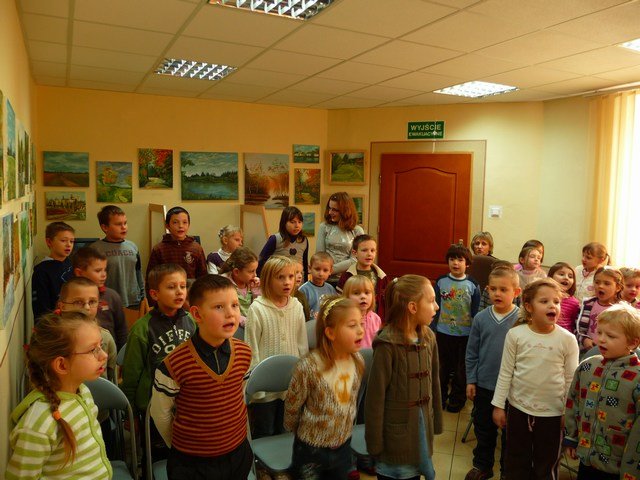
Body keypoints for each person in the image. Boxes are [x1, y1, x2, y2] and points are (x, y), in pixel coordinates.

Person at [150, 275, 253, 480]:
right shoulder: (174, 363)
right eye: (219, 307)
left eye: (234, 305)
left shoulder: (244, 352)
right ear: (197, 314)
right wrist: (182, 446)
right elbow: (160, 414)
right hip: (192, 463)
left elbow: (239, 397)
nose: (230, 314)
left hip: (237, 453)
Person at [5, 312, 111, 479]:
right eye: (93, 350)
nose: (104, 355)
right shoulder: (39, 423)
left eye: (101, 346)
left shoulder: (83, 391)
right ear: (62, 365)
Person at [491, 278, 579, 479]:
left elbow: (571, 380)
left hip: (553, 414)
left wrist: (567, 412)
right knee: (516, 461)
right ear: (529, 307)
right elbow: (505, 373)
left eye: (556, 302)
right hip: (518, 410)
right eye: (544, 301)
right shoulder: (515, 335)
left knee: (546, 464)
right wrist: (498, 406)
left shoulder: (567, 340)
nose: (552, 306)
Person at [365, 275, 443, 480]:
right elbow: (375, 399)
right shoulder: (387, 345)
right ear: (413, 307)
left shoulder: (429, 337)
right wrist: (374, 443)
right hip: (395, 439)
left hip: (421, 430)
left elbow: (434, 382)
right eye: (431, 301)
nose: (436, 307)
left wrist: (436, 420)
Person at [284, 296, 364, 479]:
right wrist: (296, 432)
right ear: (331, 333)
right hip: (310, 450)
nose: (361, 330)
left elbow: (350, 402)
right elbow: (292, 405)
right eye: (352, 325)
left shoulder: (358, 361)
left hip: (343, 446)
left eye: (361, 323)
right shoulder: (308, 367)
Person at [564, 303, 640, 480]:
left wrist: (631, 470)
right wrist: (571, 437)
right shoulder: (588, 366)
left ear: (632, 342)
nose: (601, 340)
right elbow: (573, 401)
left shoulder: (637, 377)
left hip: (618, 468)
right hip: (586, 460)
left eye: (610, 336)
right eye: (599, 333)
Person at [464, 266, 521, 480]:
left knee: (510, 434)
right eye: (493, 289)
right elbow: (472, 352)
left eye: (503, 289)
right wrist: (471, 379)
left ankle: (508, 471)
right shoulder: (481, 318)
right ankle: (482, 466)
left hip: (512, 389)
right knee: (484, 429)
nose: (497, 293)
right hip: (485, 385)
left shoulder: (523, 319)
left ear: (516, 292)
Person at [245, 256, 309, 438]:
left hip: (290, 385)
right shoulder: (257, 308)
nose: (287, 282)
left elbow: (302, 344)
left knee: (287, 430)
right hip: (264, 390)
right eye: (280, 277)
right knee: (265, 431)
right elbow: (251, 348)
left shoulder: (296, 306)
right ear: (267, 280)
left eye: (291, 276)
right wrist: (256, 386)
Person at [121, 264, 196, 415]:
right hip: (152, 403)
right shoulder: (141, 328)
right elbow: (131, 375)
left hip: (186, 400)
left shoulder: (192, 320)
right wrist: (131, 413)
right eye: (171, 287)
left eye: (183, 286)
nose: (179, 291)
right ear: (155, 294)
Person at [434, 243, 480, 413]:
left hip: (465, 335)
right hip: (443, 332)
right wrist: (432, 327)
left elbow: (476, 312)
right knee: (441, 368)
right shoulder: (440, 282)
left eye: (460, 260)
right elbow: (434, 306)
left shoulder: (473, 285)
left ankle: (456, 399)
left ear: (467, 263)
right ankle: (439, 398)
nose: (455, 263)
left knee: (461, 370)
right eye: (452, 259)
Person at [57, 277, 117, 382]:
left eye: (92, 302)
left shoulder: (106, 338)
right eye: (78, 302)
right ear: (62, 306)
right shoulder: (51, 338)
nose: (87, 307)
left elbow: (111, 381)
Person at [72, 246, 127, 349]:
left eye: (105, 270)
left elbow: (121, 331)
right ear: (79, 273)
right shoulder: (69, 297)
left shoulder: (112, 296)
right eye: (98, 271)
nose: (104, 275)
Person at [91, 205, 145, 310]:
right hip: (107, 301)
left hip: (133, 301)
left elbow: (138, 272)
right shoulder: (96, 249)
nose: (124, 227)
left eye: (125, 223)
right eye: (118, 224)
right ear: (105, 227)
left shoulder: (133, 246)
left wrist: (143, 296)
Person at [146, 206, 207, 297]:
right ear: (167, 225)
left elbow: (203, 276)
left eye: (185, 222)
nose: (181, 226)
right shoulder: (159, 249)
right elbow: (151, 278)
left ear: (189, 225)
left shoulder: (196, 248)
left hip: (190, 295)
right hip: (167, 295)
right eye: (175, 222)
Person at [316, 192, 365, 286]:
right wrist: (325, 271)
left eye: (335, 210)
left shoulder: (357, 231)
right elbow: (320, 255)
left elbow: (355, 259)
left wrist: (330, 270)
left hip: (348, 280)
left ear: (345, 211)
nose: (330, 212)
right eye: (329, 208)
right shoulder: (324, 227)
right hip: (325, 279)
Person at [337, 234, 389, 319]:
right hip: (353, 318)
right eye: (364, 250)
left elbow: (386, 301)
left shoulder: (382, 277)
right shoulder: (347, 276)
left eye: (372, 250)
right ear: (355, 253)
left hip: (375, 320)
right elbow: (340, 301)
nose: (369, 254)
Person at [32, 221, 75, 321]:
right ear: (49, 242)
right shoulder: (42, 271)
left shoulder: (72, 263)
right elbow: (41, 307)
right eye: (63, 240)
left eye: (72, 241)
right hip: (55, 323)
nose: (68, 245)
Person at [577, 266, 623, 352]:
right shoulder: (587, 304)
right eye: (597, 282)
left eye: (607, 283)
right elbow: (578, 329)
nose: (600, 286)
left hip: (612, 353)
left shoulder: (622, 310)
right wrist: (584, 340)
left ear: (618, 287)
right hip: (587, 352)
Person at [258, 206, 309, 279]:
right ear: (284, 223)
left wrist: (305, 282)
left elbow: (305, 264)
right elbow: (262, 261)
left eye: (299, 222)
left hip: (299, 282)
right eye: (292, 222)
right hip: (279, 280)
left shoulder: (304, 240)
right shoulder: (275, 239)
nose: (297, 225)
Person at [218, 246, 261, 320]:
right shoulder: (224, 285)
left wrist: (256, 289)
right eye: (251, 271)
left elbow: (259, 306)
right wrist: (247, 322)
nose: (255, 275)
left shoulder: (251, 283)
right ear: (236, 272)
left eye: (255, 270)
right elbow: (227, 311)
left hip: (251, 321)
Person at [342, 275, 381, 349]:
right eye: (356, 293)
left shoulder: (376, 318)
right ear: (347, 297)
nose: (363, 296)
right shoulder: (344, 319)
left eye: (367, 293)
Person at [299, 252, 337, 321]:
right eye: (317, 269)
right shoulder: (303, 290)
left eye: (325, 270)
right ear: (310, 268)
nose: (321, 274)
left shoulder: (330, 289)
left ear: (330, 271)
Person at [548, 262, 580, 334]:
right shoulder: (543, 296)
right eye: (561, 274)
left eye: (570, 276)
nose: (566, 278)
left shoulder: (574, 303)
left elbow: (574, 322)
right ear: (550, 277)